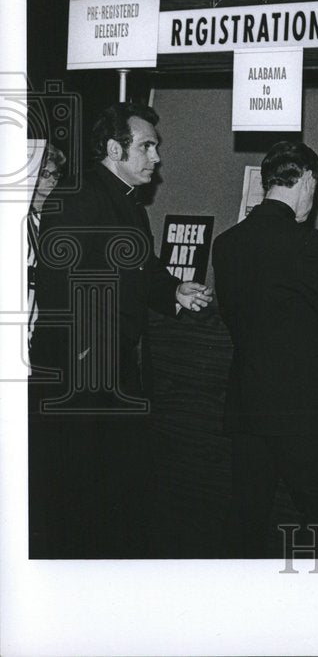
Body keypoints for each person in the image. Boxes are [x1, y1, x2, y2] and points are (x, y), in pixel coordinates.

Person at [30, 102, 212, 557]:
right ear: (115, 148)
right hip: (82, 373)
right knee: (77, 490)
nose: (156, 157)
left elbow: (142, 269)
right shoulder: (80, 196)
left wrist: (175, 291)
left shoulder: (126, 203)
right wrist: (87, 353)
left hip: (110, 370)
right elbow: (59, 282)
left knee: (114, 485)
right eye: (146, 146)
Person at [212, 141, 318, 557]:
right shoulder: (303, 242)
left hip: (247, 402)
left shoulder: (227, 244)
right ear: (305, 180)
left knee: (247, 515)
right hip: (299, 407)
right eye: (313, 186)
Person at [27, 143, 66, 351]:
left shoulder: (57, 219)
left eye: (56, 175)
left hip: (45, 306)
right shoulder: (15, 217)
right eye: (45, 174)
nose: (52, 179)